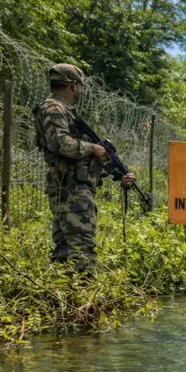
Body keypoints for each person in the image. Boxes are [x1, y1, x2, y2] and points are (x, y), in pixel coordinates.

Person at [33, 63, 135, 273]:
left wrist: (118, 174)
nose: (83, 89)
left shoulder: (66, 112)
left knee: (64, 252)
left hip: (72, 187)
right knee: (81, 251)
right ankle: (85, 298)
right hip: (70, 190)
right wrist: (93, 148)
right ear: (72, 85)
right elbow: (60, 144)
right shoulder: (53, 109)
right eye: (81, 84)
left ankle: (66, 299)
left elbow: (79, 157)